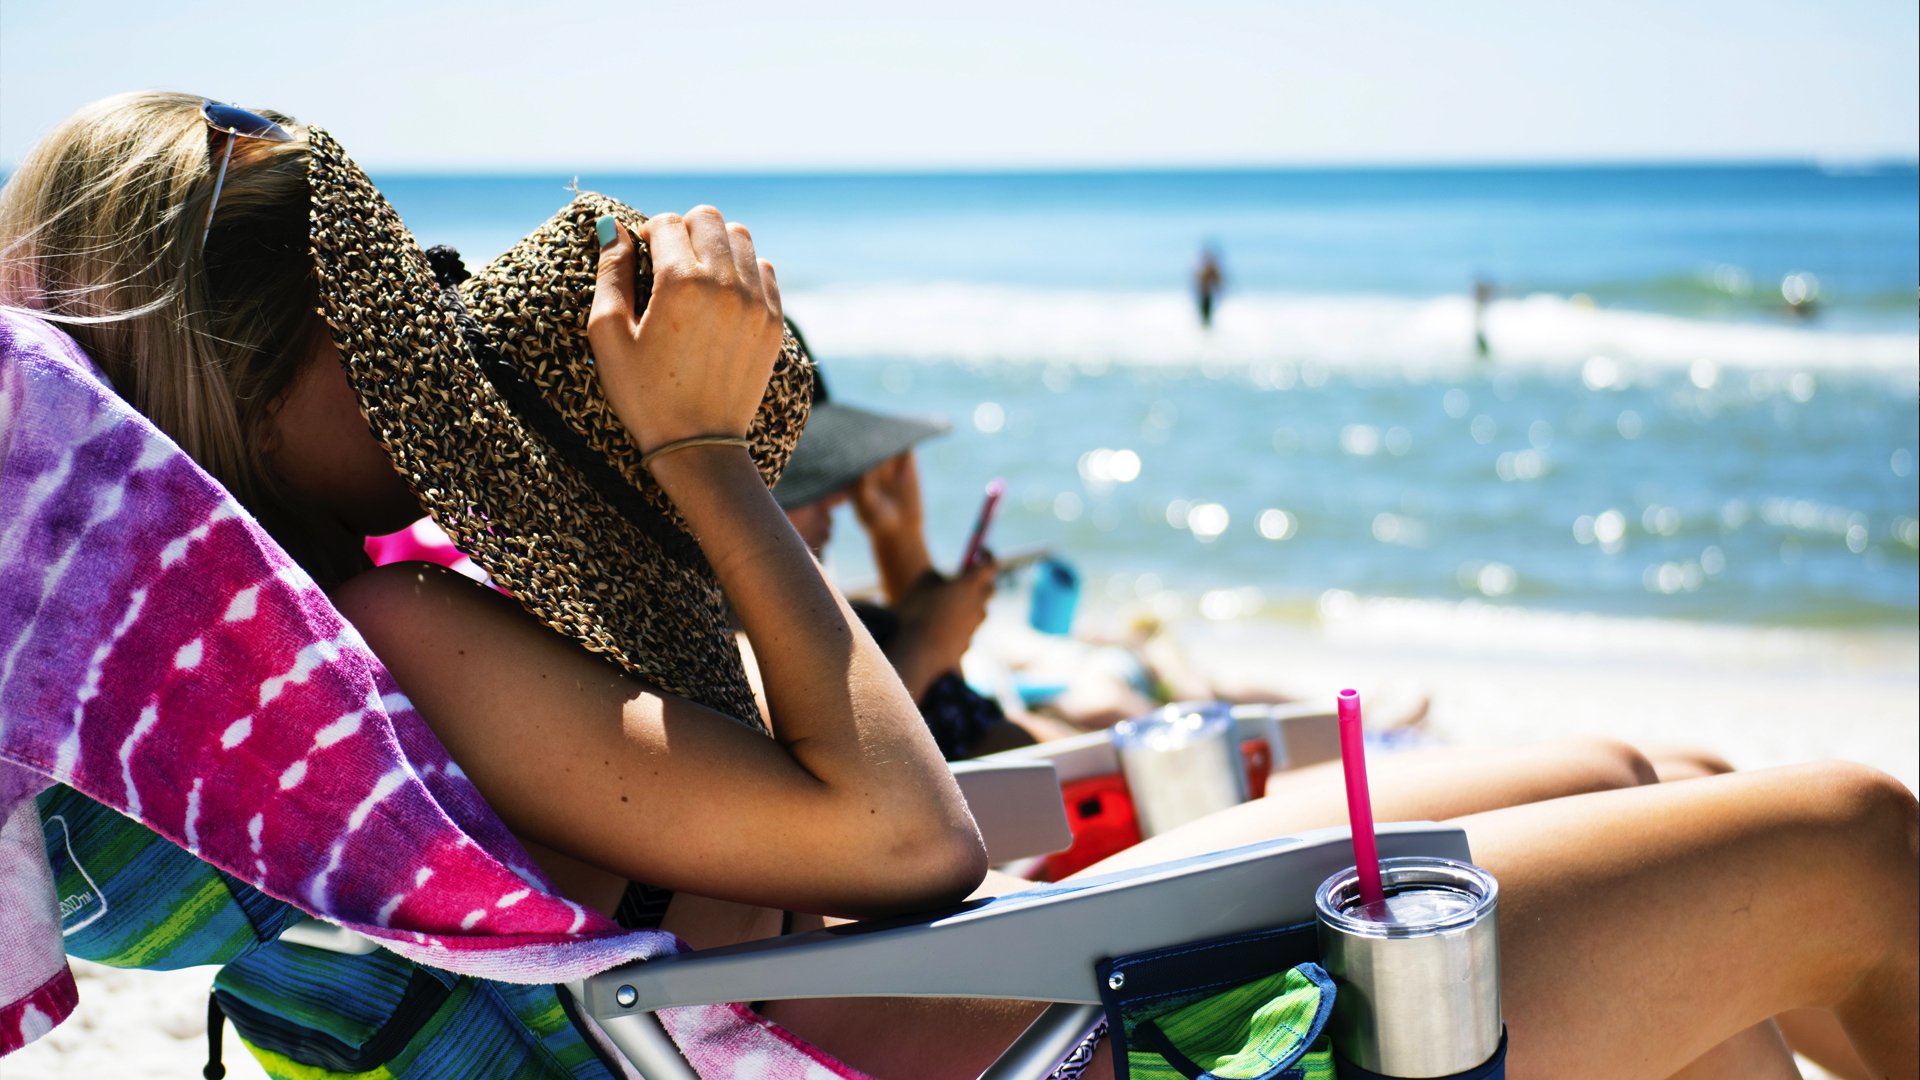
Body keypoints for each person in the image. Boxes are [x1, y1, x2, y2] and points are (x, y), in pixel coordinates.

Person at [2, 92, 1912, 1080]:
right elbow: (904, 843)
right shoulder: (393, 639)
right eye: (371, 324)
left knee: (1625, 780)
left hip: (938, 992)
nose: (416, 335)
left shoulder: (263, 723)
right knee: (1851, 838)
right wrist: (695, 458)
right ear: (235, 380)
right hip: (1009, 1027)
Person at [771, 354, 1041, 757]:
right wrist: (930, 641)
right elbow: (843, 752)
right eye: (806, 478)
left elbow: (944, 708)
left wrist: (899, 536)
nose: (839, 497)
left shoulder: (807, 620)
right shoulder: (737, 647)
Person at [1194, 246, 1223, 329]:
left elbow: (1217, 282)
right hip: (1204, 294)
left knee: (1206, 316)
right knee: (1204, 315)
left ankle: (1206, 330)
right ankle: (1205, 330)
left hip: (1207, 294)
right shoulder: (1205, 269)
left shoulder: (1209, 269)